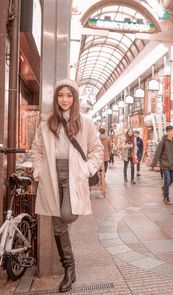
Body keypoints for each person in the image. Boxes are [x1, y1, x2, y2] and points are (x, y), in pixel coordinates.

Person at [31, 79, 103, 293]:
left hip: (74, 174)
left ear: (75, 98)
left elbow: (96, 150)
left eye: (69, 95)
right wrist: (38, 170)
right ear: (56, 98)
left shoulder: (86, 122)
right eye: (61, 95)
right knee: (58, 225)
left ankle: (69, 267)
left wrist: (86, 170)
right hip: (52, 174)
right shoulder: (46, 122)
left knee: (66, 215)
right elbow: (37, 150)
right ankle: (69, 269)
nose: (64, 99)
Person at [151, 125, 173, 205]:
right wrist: (153, 165)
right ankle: (166, 197)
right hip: (165, 164)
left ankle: (164, 188)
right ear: (168, 132)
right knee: (167, 180)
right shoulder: (163, 142)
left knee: (172, 179)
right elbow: (157, 153)